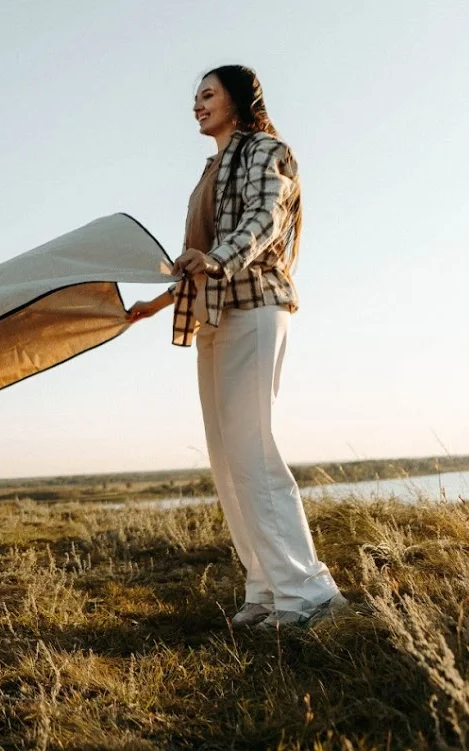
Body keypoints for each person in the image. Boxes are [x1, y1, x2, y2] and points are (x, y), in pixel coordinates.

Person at [128, 66, 347, 629]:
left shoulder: (266, 150)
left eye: (207, 94)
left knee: (253, 450)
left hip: (254, 307)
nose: (196, 105)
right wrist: (154, 305)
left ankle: (309, 593)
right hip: (213, 317)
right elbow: (197, 253)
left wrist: (218, 260)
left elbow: (265, 219)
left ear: (238, 100)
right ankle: (266, 587)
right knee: (227, 461)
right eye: (194, 97)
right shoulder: (211, 170)